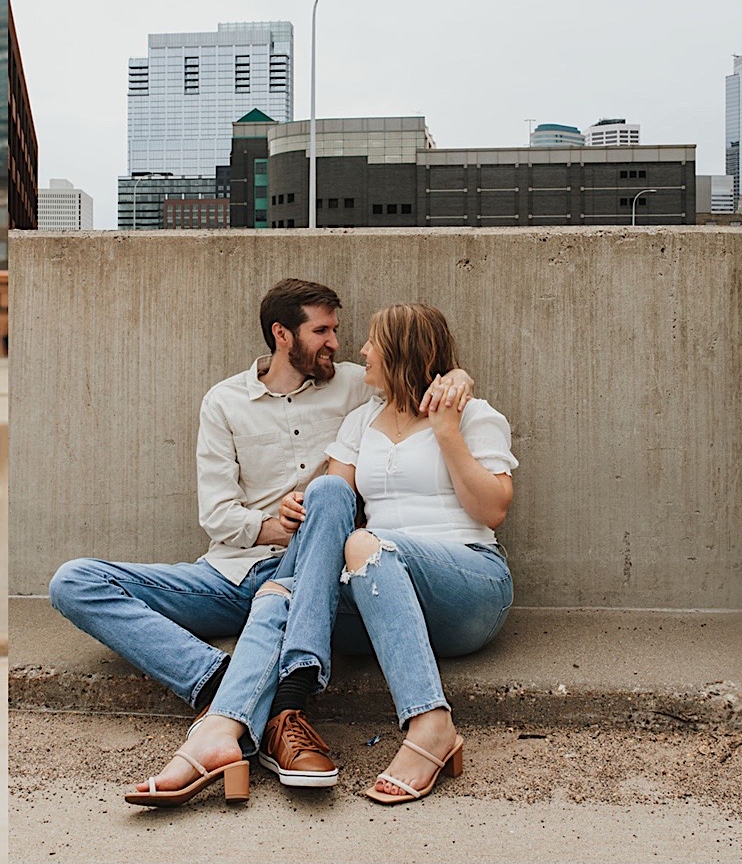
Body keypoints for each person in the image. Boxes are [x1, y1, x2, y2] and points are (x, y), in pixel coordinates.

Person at [126, 303, 515, 808]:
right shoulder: (362, 420)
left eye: (373, 341)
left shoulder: (475, 415)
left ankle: (428, 722)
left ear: (399, 350)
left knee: (359, 543)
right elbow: (326, 506)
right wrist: (296, 513)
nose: (361, 350)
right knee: (325, 508)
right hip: (377, 597)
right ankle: (222, 731)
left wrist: (446, 431)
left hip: (465, 588)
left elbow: (492, 511)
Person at [48, 280, 470, 734]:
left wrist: (459, 377)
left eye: (336, 330)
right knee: (74, 581)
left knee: (328, 501)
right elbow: (217, 515)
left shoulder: (356, 384)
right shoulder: (225, 402)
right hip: (233, 575)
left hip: (317, 577)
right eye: (322, 331)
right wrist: (277, 526)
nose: (335, 343)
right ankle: (215, 678)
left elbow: (418, 377)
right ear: (282, 334)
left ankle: (256, 691)